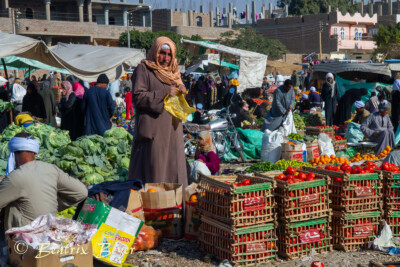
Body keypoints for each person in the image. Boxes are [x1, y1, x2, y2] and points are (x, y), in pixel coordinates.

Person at [128, 36, 187, 187]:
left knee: (174, 167)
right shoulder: (144, 69)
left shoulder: (174, 72)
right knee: (155, 169)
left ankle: (175, 205)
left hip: (173, 129)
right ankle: (154, 205)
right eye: (162, 53)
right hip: (154, 129)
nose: (165, 58)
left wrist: (181, 90)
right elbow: (138, 97)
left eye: (169, 54)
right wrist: (164, 92)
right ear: (155, 51)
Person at [0, 132, 87, 231]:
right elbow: (82, 192)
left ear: (14, 154)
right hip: (50, 233)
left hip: (24, 239)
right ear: (34, 152)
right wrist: (52, 202)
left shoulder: (15, 177)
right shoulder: (51, 169)